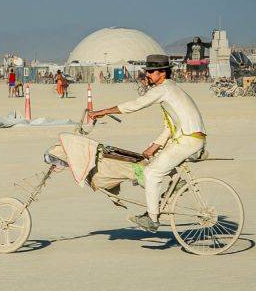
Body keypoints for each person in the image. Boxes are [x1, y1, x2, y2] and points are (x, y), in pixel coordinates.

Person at [88, 54, 206, 233]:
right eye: (148, 71)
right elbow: (170, 126)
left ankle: (152, 219)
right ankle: (177, 183)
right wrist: (154, 146)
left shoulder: (163, 89)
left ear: (163, 73)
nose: (148, 75)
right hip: (189, 137)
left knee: (151, 173)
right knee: (156, 159)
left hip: (188, 139)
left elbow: (136, 104)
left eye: (151, 72)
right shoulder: (170, 89)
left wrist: (104, 111)